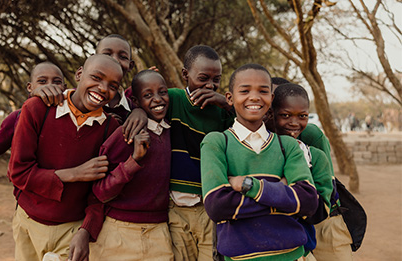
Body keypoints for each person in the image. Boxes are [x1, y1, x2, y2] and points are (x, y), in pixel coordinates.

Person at [123, 45, 234, 260]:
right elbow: (143, 99)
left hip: (208, 207)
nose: (210, 85)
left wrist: (225, 104)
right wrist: (137, 110)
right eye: (203, 78)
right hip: (175, 206)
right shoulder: (172, 99)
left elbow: (241, 126)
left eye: (216, 79)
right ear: (186, 74)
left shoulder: (221, 112)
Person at [8, 54, 123, 261]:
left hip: (72, 230)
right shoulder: (37, 109)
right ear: (79, 74)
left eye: (113, 85)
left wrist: (85, 230)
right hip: (27, 222)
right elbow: (18, 172)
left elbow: (100, 194)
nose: (104, 88)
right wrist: (74, 174)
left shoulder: (110, 129)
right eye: (96, 77)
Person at [200, 63, 318, 261]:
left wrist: (249, 186)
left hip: (293, 256)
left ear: (271, 99)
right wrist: (281, 195)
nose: (254, 97)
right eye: (245, 90)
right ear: (230, 98)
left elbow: (307, 201)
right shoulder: (217, 142)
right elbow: (217, 206)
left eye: (263, 91)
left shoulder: (287, 145)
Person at [89, 70, 173, 260]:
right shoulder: (125, 134)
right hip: (119, 231)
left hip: (159, 232)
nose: (158, 99)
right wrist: (133, 161)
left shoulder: (170, 132)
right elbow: (101, 192)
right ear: (135, 101)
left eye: (163, 92)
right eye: (148, 95)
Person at [271, 83, 353, 260]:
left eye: (302, 115)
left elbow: (323, 199)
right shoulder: (258, 149)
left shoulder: (311, 145)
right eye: (285, 114)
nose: (293, 122)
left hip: (322, 224)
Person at [0, 62, 66, 163]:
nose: (50, 86)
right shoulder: (18, 117)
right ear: (30, 87)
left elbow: (81, 94)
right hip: (32, 182)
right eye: (42, 81)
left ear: (64, 87)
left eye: (57, 82)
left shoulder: (74, 112)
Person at [31, 34, 138, 125]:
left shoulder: (132, 107)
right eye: (107, 54)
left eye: (123, 57)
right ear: (93, 58)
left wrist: (139, 112)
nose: (114, 60)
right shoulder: (68, 100)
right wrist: (38, 93)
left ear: (130, 65)